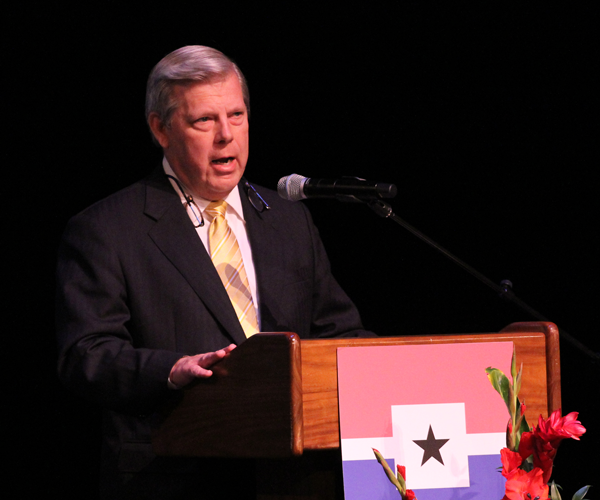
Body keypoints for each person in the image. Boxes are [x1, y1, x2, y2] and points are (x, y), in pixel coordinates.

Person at [56, 45, 372, 499]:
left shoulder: (286, 218)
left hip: (293, 478)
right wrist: (172, 368)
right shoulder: (107, 229)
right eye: (204, 120)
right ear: (160, 129)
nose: (226, 135)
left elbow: (339, 333)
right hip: (176, 475)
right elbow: (86, 355)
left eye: (237, 115)